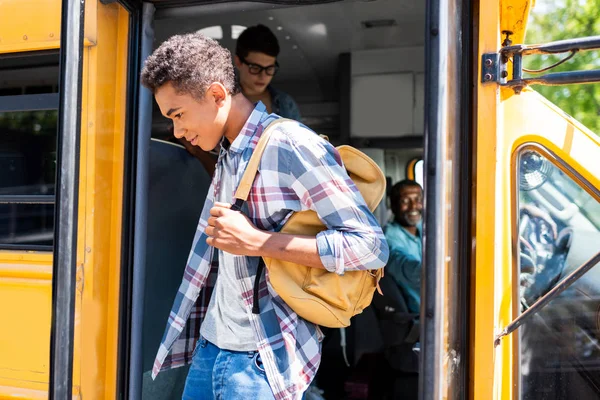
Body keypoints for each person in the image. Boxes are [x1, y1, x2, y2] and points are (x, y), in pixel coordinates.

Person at [140, 32, 388, 400]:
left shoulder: (291, 144)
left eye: (178, 115)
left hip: (258, 360)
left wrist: (258, 242)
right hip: (209, 348)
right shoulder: (228, 151)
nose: (178, 131)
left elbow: (370, 246)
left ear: (216, 95)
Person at [234, 24, 301, 120]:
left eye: (269, 69)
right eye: (256, 68)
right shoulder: (223, 102)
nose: (263, 76)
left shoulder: (286, 104)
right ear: (238, 62)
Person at [384, 180, 423, 314]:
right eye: (405, 201)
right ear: (393, 206)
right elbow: (403, 263)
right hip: (419, 318)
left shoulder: (421, 227)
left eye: (418, 200)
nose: (413, 207)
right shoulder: (389, 237)